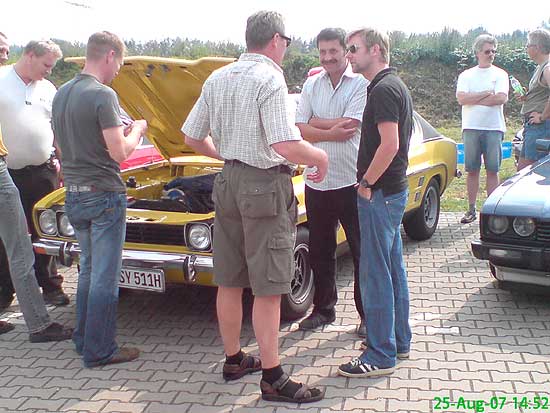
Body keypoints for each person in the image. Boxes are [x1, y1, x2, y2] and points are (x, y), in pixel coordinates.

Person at [182, 11, 327, 403]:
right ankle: (273, 378)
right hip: (264, 186)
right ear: (276, 39)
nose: (286, 48)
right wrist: (319, 156)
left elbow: (191, 136)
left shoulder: (217, 77)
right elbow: (283, 144)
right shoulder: (269, 78)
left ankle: (234, 360)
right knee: (269, 286)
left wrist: (229, 156)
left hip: (227, 182)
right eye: (287, 42)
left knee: (229, 279)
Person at [51, 31, 147, 367]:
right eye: (119, 63)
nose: (118, 69)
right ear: (109, 56)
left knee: (88, 271)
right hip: (104, 195)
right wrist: (138, 130)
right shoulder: (103, 95)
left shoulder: (61, 93)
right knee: (105, 276)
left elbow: (59, 147)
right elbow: (120, 152)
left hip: (74, 194)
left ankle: (83, 339)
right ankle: (100, 350)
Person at [338, 28, 413, 378]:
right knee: (392, 267)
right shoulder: (390, 85)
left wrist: (366, 183)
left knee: (375, 274)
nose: (348, 55)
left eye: (354, 48)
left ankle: (381, 353)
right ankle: (398, 341)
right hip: (389, 193)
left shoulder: (384, 89)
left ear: (377, 50)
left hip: (380, 194)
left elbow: (390, 144)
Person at [0, 31, 72, 342]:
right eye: (46, 64)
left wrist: (61, 160)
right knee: (14, 245)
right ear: (30, 55)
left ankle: (51, 285)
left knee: (44, 232)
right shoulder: (2, 79)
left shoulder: (47, 89)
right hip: (7, 172)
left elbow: (56, 128)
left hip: (41, 171)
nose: (49, 71)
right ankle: (24, 310)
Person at [295, 28, 367, 335]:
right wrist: (329, 130)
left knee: (362, 252)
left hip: (351, 182)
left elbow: (350, 126)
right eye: (322, 52)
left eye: (333, 51)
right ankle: (324, 309)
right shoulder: (311, 84)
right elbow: (300, 127)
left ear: (345, 51)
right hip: (316, 182)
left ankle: (367, 316)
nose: (327, 57)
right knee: (320, 250)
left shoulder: (361, 84)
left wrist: (316, 124)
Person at [456, 34, 509, 223]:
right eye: (487, 51)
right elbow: (462, 99)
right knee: (472, 170)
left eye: (494, 51)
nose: (491, 54)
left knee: (493, 170)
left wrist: (474, 98)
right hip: (471, 127)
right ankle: (471, 209)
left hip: (494, 128)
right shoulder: (466, 75)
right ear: (478, 52)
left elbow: (501, 98)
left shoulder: (500, 74)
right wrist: (486, 94)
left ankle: (491, 212)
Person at [516, 28, 550, 171]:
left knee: (531, 173)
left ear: (537, 48)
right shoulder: (541, 67)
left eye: (528, 45)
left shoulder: (547, 67)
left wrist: (542, 116)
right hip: (533, 127)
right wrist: (528, 96)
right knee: (522, 171)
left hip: (540, 127)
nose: (526, 48)